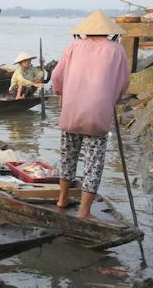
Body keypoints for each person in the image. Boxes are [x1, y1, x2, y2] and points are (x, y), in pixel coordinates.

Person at [52, 11, 129, 218]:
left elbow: (56, 77)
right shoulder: (117, 50)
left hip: (71, 111)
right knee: (93, 162)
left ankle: (62, 199)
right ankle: (84, 211)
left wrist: (61, 94)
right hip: (98, 114)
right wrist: (112, 100)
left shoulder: (73, 47)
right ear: (109, 32)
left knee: (68, 156)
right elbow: (123, 83)